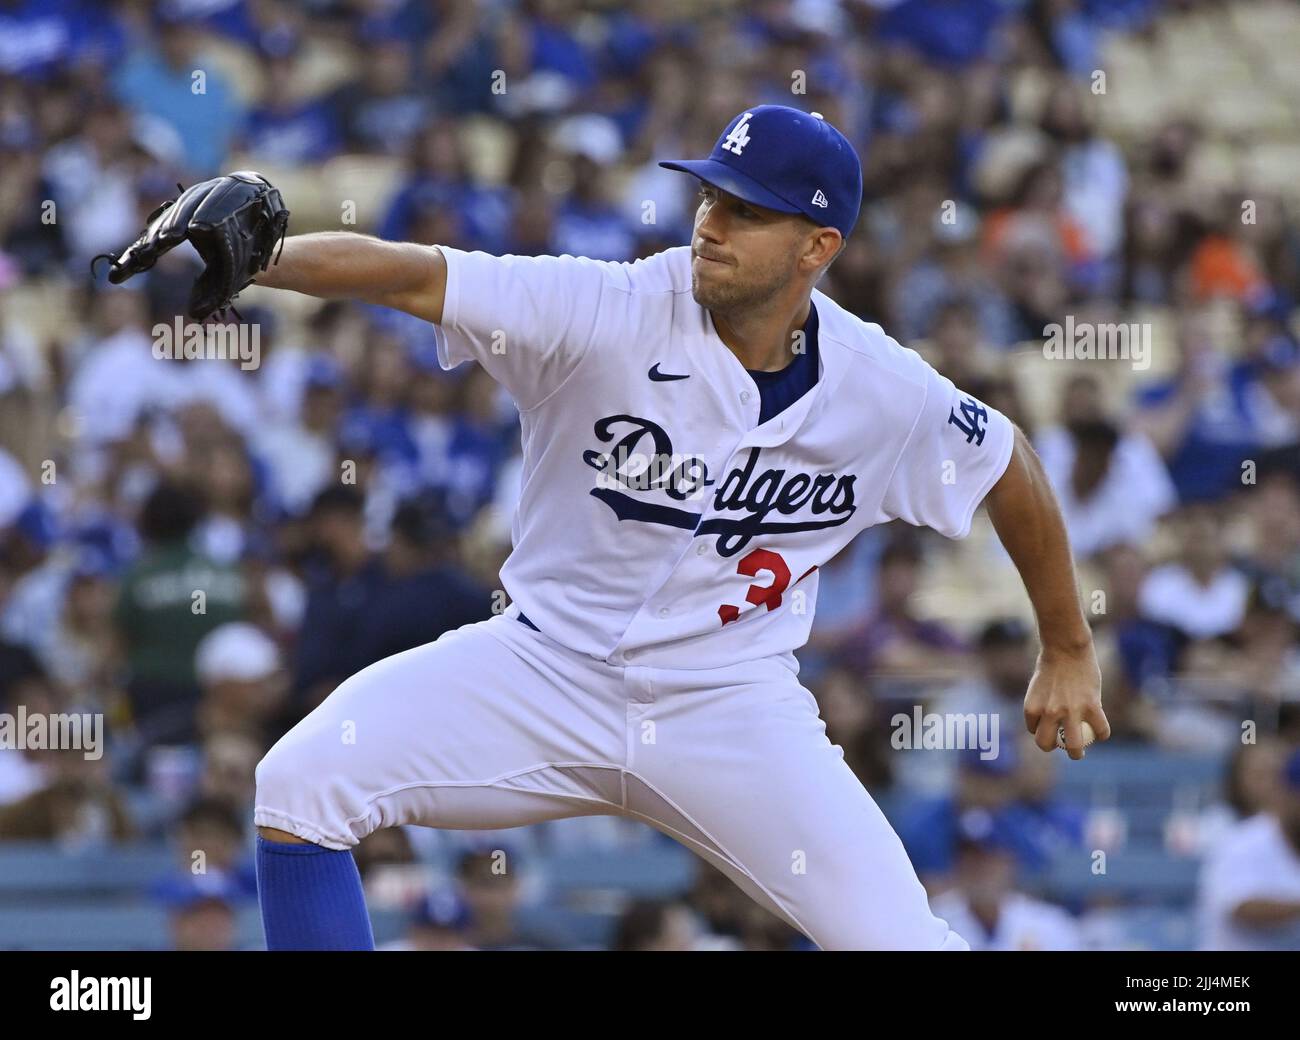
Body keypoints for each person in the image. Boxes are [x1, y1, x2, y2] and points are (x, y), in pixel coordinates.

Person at [133, 105, 1106, 950]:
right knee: (301, 784)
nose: (711, 225)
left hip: (729, 704)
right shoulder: (607, 310)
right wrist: (266, 258)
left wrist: (1065, 643)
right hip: (540, 670)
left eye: (746, 210)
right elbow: (417, 276)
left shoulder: (877, 387)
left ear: (818, 247)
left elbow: (1008, 464)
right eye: (709, 197)